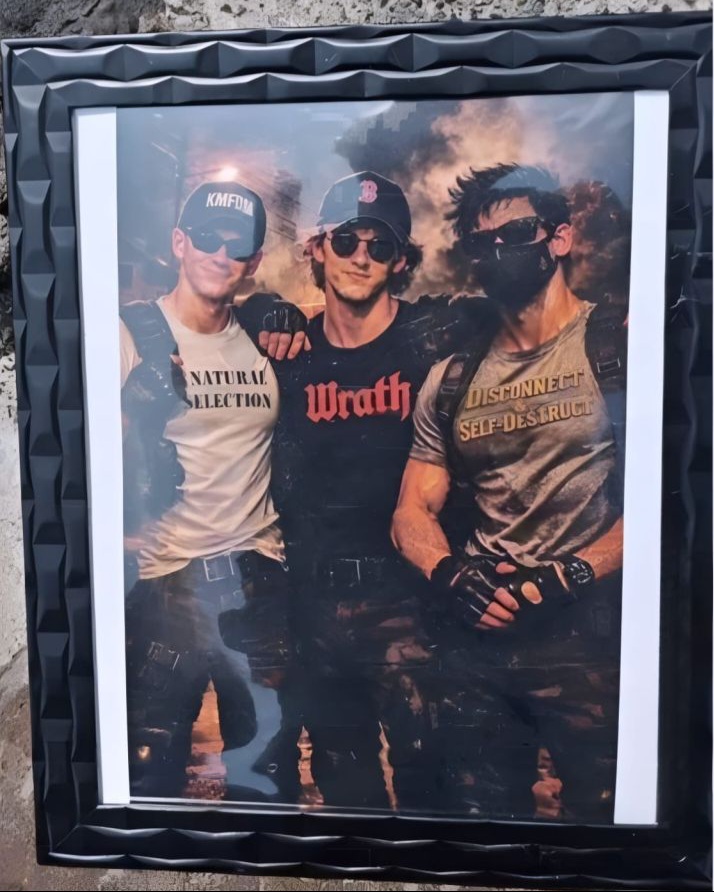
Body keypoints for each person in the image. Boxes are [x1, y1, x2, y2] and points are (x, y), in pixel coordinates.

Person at [391, 163, 627, 822]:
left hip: (589, 641)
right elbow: (412, 508)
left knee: (605, 828)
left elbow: (663, 502)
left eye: (517, 233)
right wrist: (448, 572)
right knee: (478, 826)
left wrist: (572, 573)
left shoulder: (617, 347)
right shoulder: (451, 377)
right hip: (482, 638)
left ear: (559, 237)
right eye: (482, 241)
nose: (499, 250)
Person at [269, 170, 480, 810]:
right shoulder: (287, 351)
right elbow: (219, 321)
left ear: (400, 261)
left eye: (379, 246)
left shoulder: (435, 337)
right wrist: (263, 310)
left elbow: (524, 311)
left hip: (410, 600)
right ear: (317, 248)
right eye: (345, 240)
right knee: (343, 786)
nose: (361, 257)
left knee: (431, 781)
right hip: (314, 605)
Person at [122, 179, 307, 801]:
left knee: (267, 775)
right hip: (167, 581)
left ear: (254, 260)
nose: (219, 254)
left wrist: (285, 311)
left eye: (237, 245)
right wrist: (138, 408)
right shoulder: (132, 334)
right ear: (180, 243)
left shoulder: (265, 336)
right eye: (206, 238)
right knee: (151, 772)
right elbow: (89, 453)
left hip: (259, 576)